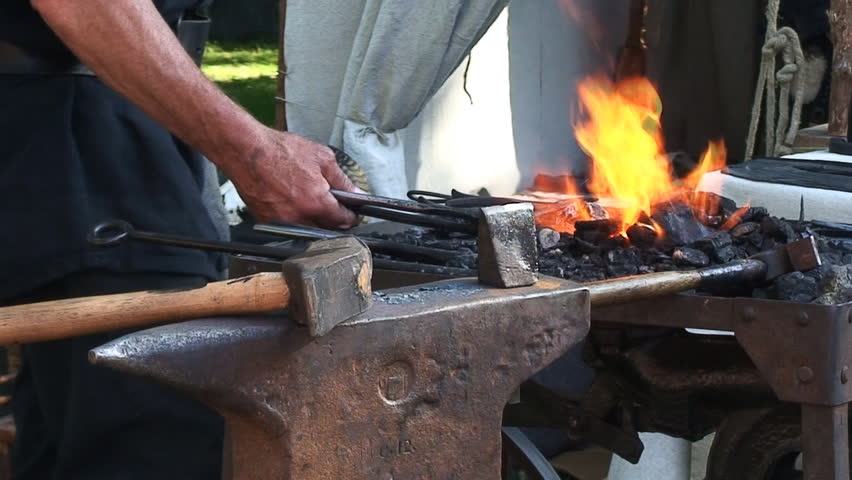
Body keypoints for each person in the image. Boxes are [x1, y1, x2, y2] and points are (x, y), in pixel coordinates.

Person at [0, 0, 361, 478]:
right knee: (156, 440)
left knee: (67, 435)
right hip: (84, 158)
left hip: (113, 136)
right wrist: (253, 152)